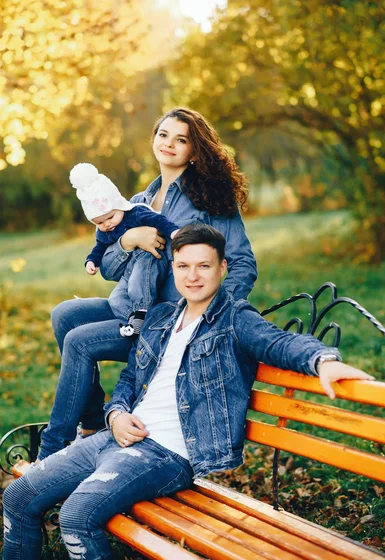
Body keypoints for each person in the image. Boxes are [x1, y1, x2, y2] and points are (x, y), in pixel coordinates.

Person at [2, 223, 375, 560]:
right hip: (115, 438)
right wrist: (115, 415)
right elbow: (130, 380)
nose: (193, 276)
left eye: (204, 266)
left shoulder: (234, 318)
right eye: (183, 266)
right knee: (17, 498)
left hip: (165, 454)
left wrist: (323, 360)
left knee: (77, 517)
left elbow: (278, 342)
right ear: (173, 268)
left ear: (222, 268)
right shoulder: (161, 318)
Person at [37, 107, 258, 461]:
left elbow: (243, 263)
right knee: (65, 314)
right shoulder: (134, 203)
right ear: (153, 138)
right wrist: (130, 240)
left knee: (80, 341)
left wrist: (210, 316)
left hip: (168, 323)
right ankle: (92, 423)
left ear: (194, 150)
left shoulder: (209, 199)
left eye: (181, 139)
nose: (169, 144)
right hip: (131, 308)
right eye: (163, 134)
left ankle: (51, 452)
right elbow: (108, 267)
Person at [69, 162, 180, 335]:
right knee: (116, 299)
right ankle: (135, 322)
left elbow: (159, 221)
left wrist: (173, 232)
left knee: (137, 285)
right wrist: (92, 260)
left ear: (119, 205)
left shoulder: (136, 213)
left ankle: (143, 315)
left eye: (110, 217)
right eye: (99, 222)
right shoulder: (104, 230)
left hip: (149, 260)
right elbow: (100, 247)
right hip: (128, 270)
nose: (107, 224)